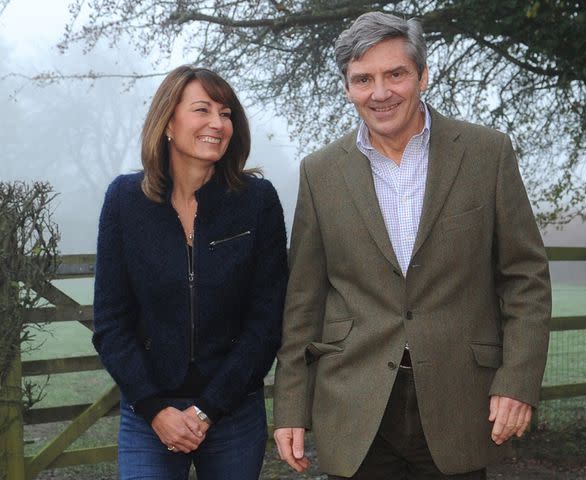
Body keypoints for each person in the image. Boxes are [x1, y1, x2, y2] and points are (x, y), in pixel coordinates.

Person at [273, 12, 551, 480]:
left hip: (461, 402)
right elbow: (303, 301)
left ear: (422, 75)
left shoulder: (487, 153)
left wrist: (518, 380)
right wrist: (290, 408)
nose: (380, 93)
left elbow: (525, 278)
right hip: (354, 406)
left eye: (395, 74)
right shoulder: (319, 173)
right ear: (347, 88)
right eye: (363, 79)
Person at [93, 65, 288, 480]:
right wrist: (154, 409)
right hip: (149, 415)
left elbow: (266, 321)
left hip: (233, 411)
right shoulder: (125, 201)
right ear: (167, 122)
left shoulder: (257, 202)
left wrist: (209, 409)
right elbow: (111, 322)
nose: (218, 124)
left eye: (226, 113)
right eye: (203, 110)